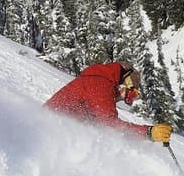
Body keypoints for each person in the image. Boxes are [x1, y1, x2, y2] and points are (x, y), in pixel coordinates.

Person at [44, 61, 173, 142]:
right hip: (49, 132)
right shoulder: (99, 84)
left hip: (58, 131)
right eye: (131, 93)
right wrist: (148, 133)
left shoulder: (102, 83)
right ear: (126, 80)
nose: (128, 99)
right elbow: (111, 125)